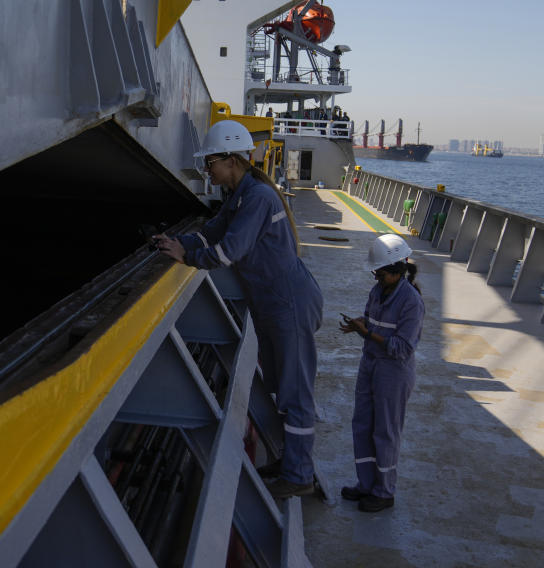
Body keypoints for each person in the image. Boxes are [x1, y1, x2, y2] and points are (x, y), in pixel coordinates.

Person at [155, 119, 323, 499]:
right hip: (271, 305)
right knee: (282, 388)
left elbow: (227, 252)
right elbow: (210, 234)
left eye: (209, 163)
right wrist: (173, 241)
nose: (206, 171)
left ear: (230, 159)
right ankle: (290, 460)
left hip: (289, 304)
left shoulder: (258, 199)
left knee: (296, 394)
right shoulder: (240, 197)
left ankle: (299, 475)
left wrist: (188, 257)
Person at [339, 234, 424, 512]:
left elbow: (402, 348)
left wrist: (369, 333)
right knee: (362, 424)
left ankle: (384, 491)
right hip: (370, 365)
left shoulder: (411, 302)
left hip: (393, 372)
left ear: (398, 271)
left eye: (382, 273)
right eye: (376, 273)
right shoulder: (377, 291)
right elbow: (371, 318)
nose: (377, 277)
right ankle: (366, 484)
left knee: (385, 431)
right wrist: (359, 324)